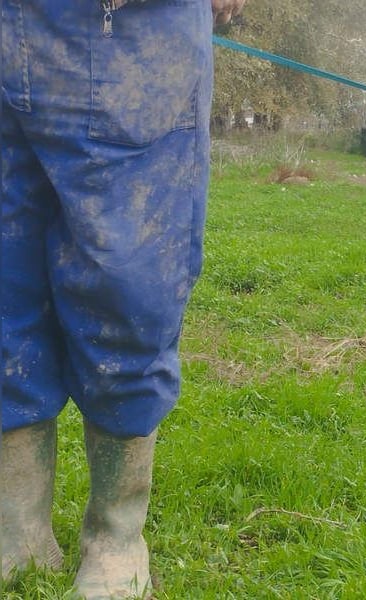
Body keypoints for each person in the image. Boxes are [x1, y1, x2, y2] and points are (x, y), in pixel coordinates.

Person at [1, 1, 245, 597]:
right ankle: (17, 529)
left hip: (134, 27)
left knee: (130, 285)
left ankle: (115, 535)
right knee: (5, 280)